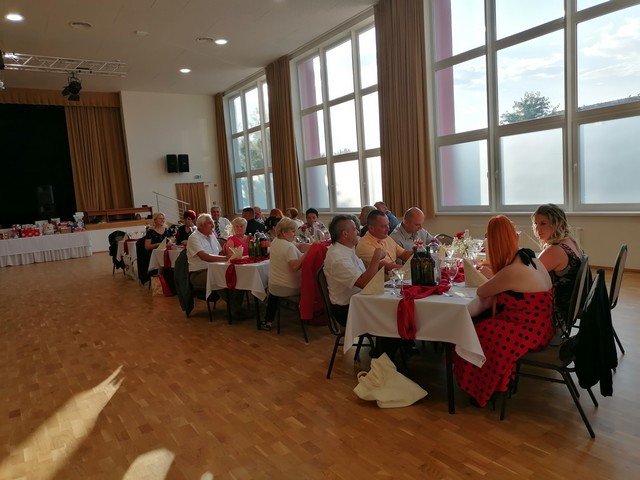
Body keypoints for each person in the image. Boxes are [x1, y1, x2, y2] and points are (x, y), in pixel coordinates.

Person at [453, 215, 555, 408]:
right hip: (544, 325)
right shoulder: (529, 257)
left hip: (529, 331)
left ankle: (481, 388)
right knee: (485, 322)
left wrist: (492, 277)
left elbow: (482, 292)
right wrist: (496, 276)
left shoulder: (512, 270)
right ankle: (496, 381)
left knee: (476, 332)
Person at [323, 215, 385, 326]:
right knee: (391, 313)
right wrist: (376, 257)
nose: (358, 232)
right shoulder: (338, 258)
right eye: (355, 229)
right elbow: (365, 283)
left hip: (360, 300)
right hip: (347, 309)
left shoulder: (347, 248)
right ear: (345, 234)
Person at [532, 204, 584, 335]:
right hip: (572, 305)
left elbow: (528, 277)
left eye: (543, 223)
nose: (537, 229)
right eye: (536, 223)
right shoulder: (569, 241)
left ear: (557, 224)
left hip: (557, 312)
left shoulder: (555, 250)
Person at [187, 214, 248, 317]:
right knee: (221, 278)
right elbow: (204, 256)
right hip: (199, 273)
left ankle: (236, 307)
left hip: (217, 268)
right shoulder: (193, 238)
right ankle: (235, 310)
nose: (213, 225)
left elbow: (220, 253)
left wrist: (231, 254)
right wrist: (226, 258)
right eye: (210, 223)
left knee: (237, 275)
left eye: (213, 223)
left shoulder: (212, 236)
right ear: (201, 225)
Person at [262, 218, 308, 330]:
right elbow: (295, 267)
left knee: (274, 291)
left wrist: (312, 246)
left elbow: (298, 245)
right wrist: (307, 254)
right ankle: (310, 315)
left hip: (275, 287)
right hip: (290, 287)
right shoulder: (288, 247)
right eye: (292, 231)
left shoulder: (275, 242)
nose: (294, 234)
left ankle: (268, 321)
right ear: (284, 232)